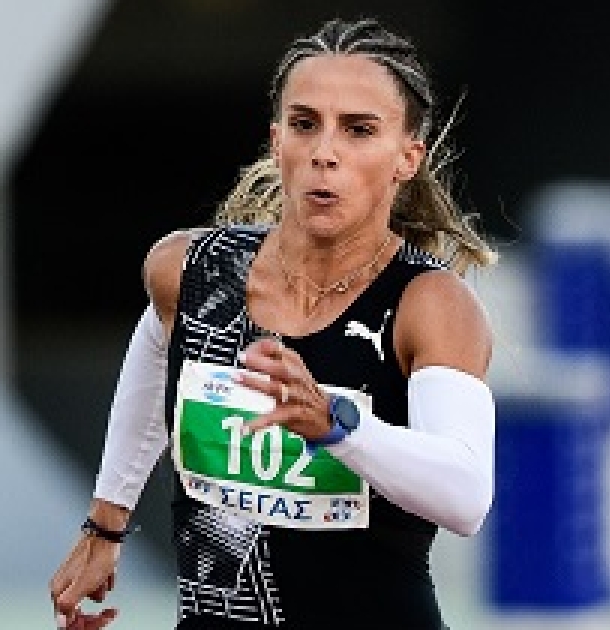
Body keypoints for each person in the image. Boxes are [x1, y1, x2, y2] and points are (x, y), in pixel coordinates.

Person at [50, 17, 498, 630]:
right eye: (304, 123)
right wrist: (106, 523)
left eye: (359, 130)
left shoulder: (431, 304)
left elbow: (466, 498)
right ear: (276, 140)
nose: (324, 153)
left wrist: (336, 425)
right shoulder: (190, 274)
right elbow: (155, 359)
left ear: (407, 158)